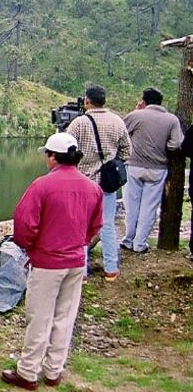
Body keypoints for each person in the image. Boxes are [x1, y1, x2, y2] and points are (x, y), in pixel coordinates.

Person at [1, 133, 102, 391]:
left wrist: (30, 247)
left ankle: (28, 372)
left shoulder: (42, 186)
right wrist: (80, 242)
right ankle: (54, 370)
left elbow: (24, 225)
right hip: (76, 261)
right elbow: (96, 226)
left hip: (47, 262)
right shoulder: (92, 188)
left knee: (39, 317)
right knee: (65, 316)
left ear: (52, 156)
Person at [66, 85, 132, 281]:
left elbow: (66, 150)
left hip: (83, 181)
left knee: (81, 226)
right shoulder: (117, 121)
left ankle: (81, 272)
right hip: (107, 182)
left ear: (87, 101)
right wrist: (111, 163)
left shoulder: (78, 123)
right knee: (107, 224)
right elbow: (127, 152)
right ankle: (111, 268)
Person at [122, 88, 183, 254]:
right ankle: (140, 244)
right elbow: (176, 144)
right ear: (160, 101)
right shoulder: (172, 119)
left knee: (131, 205)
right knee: (149, 208)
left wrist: (136, 111)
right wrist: (165, 149)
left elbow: (122, 134)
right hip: (158, 168)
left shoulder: (136, 116)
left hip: (134, 166)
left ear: (144, 101)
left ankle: (128, 239)